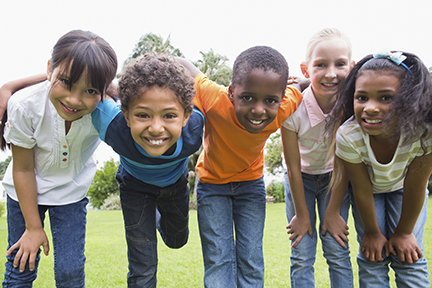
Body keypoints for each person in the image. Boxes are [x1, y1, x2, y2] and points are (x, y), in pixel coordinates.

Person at [178, 46, 304, 288]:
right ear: (231, 92)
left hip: (250, 187)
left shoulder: (285, 106)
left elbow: (301, 87)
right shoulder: (214, 98)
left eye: (270, 100)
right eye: (248, 97)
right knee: (218, 258)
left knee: (251, 258)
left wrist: (306, 80)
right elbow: (184, 64)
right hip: (212, 186)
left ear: (280, 98)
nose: (259, 109)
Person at [1, 30, 117, 287]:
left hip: (70, 192)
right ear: (49, 70)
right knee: (21, 267)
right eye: (65, 83)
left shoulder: (107, 112)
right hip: (24, 189)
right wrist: (33, 228)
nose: (74, 100)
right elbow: (22, 169)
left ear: (103, 91)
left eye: (89, 90)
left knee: (69, 272)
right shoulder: (24, 105)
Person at [91, 52, 204, 287]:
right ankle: (146, 216)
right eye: (142, 115)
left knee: (177, 240)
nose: (155, 128)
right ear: (126, 115)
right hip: (135, 189)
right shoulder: (114, 126)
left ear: (185, 117)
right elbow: (77, 84)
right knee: (142, 265)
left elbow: (219, 97)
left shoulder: (194, 129)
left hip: (174, 187)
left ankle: (156, 216)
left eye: (169, 116)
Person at [327, 50, 432, 287]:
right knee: (372, 255)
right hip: (370, 192)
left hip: (404, 189)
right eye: (362, 98)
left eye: (386, 98)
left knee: (408, 255)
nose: (370, 108)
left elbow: (416, 186)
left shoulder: (423, 134)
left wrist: (405, 233)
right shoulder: (349, 135)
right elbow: (362, 190)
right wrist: (373, 233)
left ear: (410, 100)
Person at [281, 28, 355, 287]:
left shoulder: (352, 107)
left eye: (340, 64)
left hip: (335, 178)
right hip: (300, 177)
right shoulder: (293, 106)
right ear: (305, 69)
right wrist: (302, 214)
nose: (331, 73)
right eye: (321, 64)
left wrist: (333, 212)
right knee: (302, 252)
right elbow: (291, 166)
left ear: (352, 66)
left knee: (337, 249)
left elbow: (346, 163)